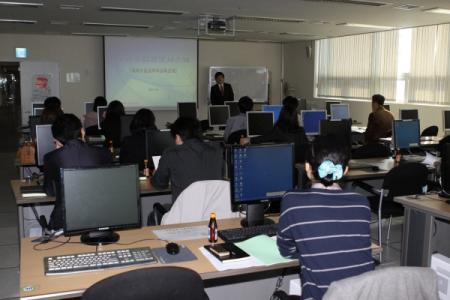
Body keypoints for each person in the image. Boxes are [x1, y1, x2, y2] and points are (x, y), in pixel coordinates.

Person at [277, 136, 374, 300]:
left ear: (307, 168)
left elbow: (286, 251)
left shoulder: (292, 202)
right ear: (345, 171)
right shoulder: (361, 203)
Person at [43, 114, 113, 230]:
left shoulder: (51, 157)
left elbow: (50, 191)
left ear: (56, 139)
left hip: (63, 223)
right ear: (82, 131)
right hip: (101, 219)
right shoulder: (104, 153)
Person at [151, 117, 223, 201]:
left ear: (177, 136)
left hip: (183, 212)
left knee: (152, 214)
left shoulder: (171, 153)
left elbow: (160, 185)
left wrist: (155, 175)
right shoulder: (216, 152)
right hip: (211, 211)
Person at [241, 96, 308, 163]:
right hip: (297, 164)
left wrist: (248, 139)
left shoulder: (278, 131)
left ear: (281, 115)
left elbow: (263, 138)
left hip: (283, 163)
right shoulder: (301, 131)